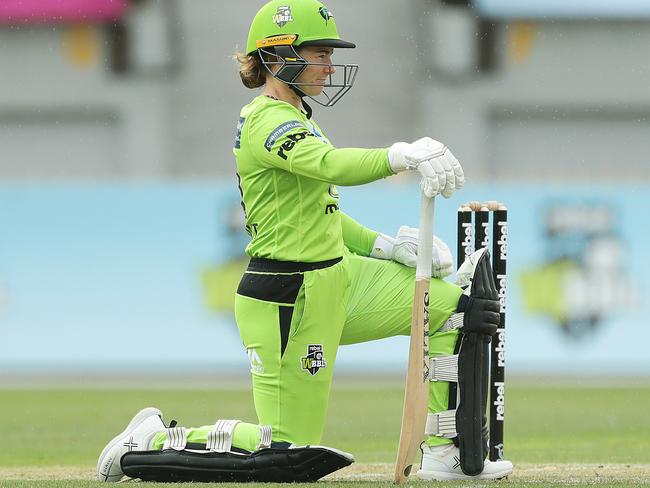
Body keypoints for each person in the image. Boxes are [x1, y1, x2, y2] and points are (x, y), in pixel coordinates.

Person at [96, 0, 513, 482]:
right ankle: (148, 441)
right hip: (287, 299)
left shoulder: (301, 117)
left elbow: (323, 213)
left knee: (452, 308)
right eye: (318, 53)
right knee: (285, 449)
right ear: (277, 56)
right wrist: (399, 156)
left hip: (342, 277)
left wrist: (385, 247)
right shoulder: (267, 123)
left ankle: (446, 454)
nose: (329, 65)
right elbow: (332, 166)